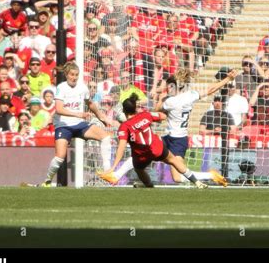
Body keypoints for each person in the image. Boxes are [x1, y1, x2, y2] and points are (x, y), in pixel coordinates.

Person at [99, 68, 237, 186]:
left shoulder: (170, 102)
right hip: (170, 138)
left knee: (177, 177)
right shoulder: (190, 95)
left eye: (169, 86)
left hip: (178, 141)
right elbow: (211, 89)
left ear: (177, 87)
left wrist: (160, 98)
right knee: (144, 151)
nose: (167, 89)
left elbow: (157, 110)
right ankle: (117, 175)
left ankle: (210, 175)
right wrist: (227, 79)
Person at [98, 93, 208, 189]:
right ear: (136, 109)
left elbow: (121, 147)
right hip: (156, 148)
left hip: (141, 155)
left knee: (139, 169)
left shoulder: (124, 127)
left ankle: (149, 185)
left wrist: (113, 166)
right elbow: (162, 116)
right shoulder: (146, 115)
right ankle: (197, 182)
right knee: (173, 160)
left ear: (123, 111)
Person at [41, 62, 112, 187]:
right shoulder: (61, 88)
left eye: (76, 75)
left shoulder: (82, 87)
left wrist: (101, 116)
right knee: (60, 157)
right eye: (72, 75)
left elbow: (89, 103)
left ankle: (107, 171)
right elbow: (59, 109)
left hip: (79, 125)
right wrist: (78, 114)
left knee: (106, 137)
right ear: (67, 75)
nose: (74, 77)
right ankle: (47, 181)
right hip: (63, 125)